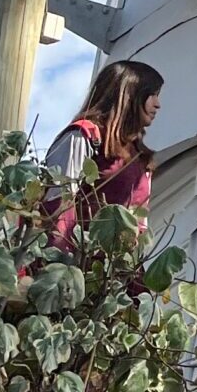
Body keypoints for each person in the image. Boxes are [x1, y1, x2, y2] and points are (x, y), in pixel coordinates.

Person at [41, 60, 163, 255]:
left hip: (113, 273)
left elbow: (138, 227)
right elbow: (58, 204)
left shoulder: (140, 158)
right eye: (152, 95)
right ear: (129, 94)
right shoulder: (84, 136)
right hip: (75, 263)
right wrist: (58, 265)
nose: (158, 104)